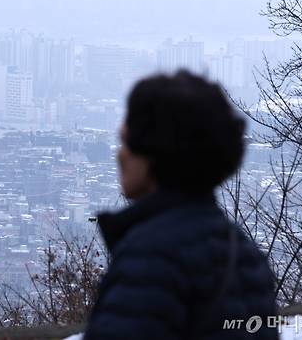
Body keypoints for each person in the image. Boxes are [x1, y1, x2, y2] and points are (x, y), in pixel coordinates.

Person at [84, 70, 278, 339]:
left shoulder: (150, 258)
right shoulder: (245, 253)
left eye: (128, 142)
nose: (120, 154)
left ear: (156, 154)